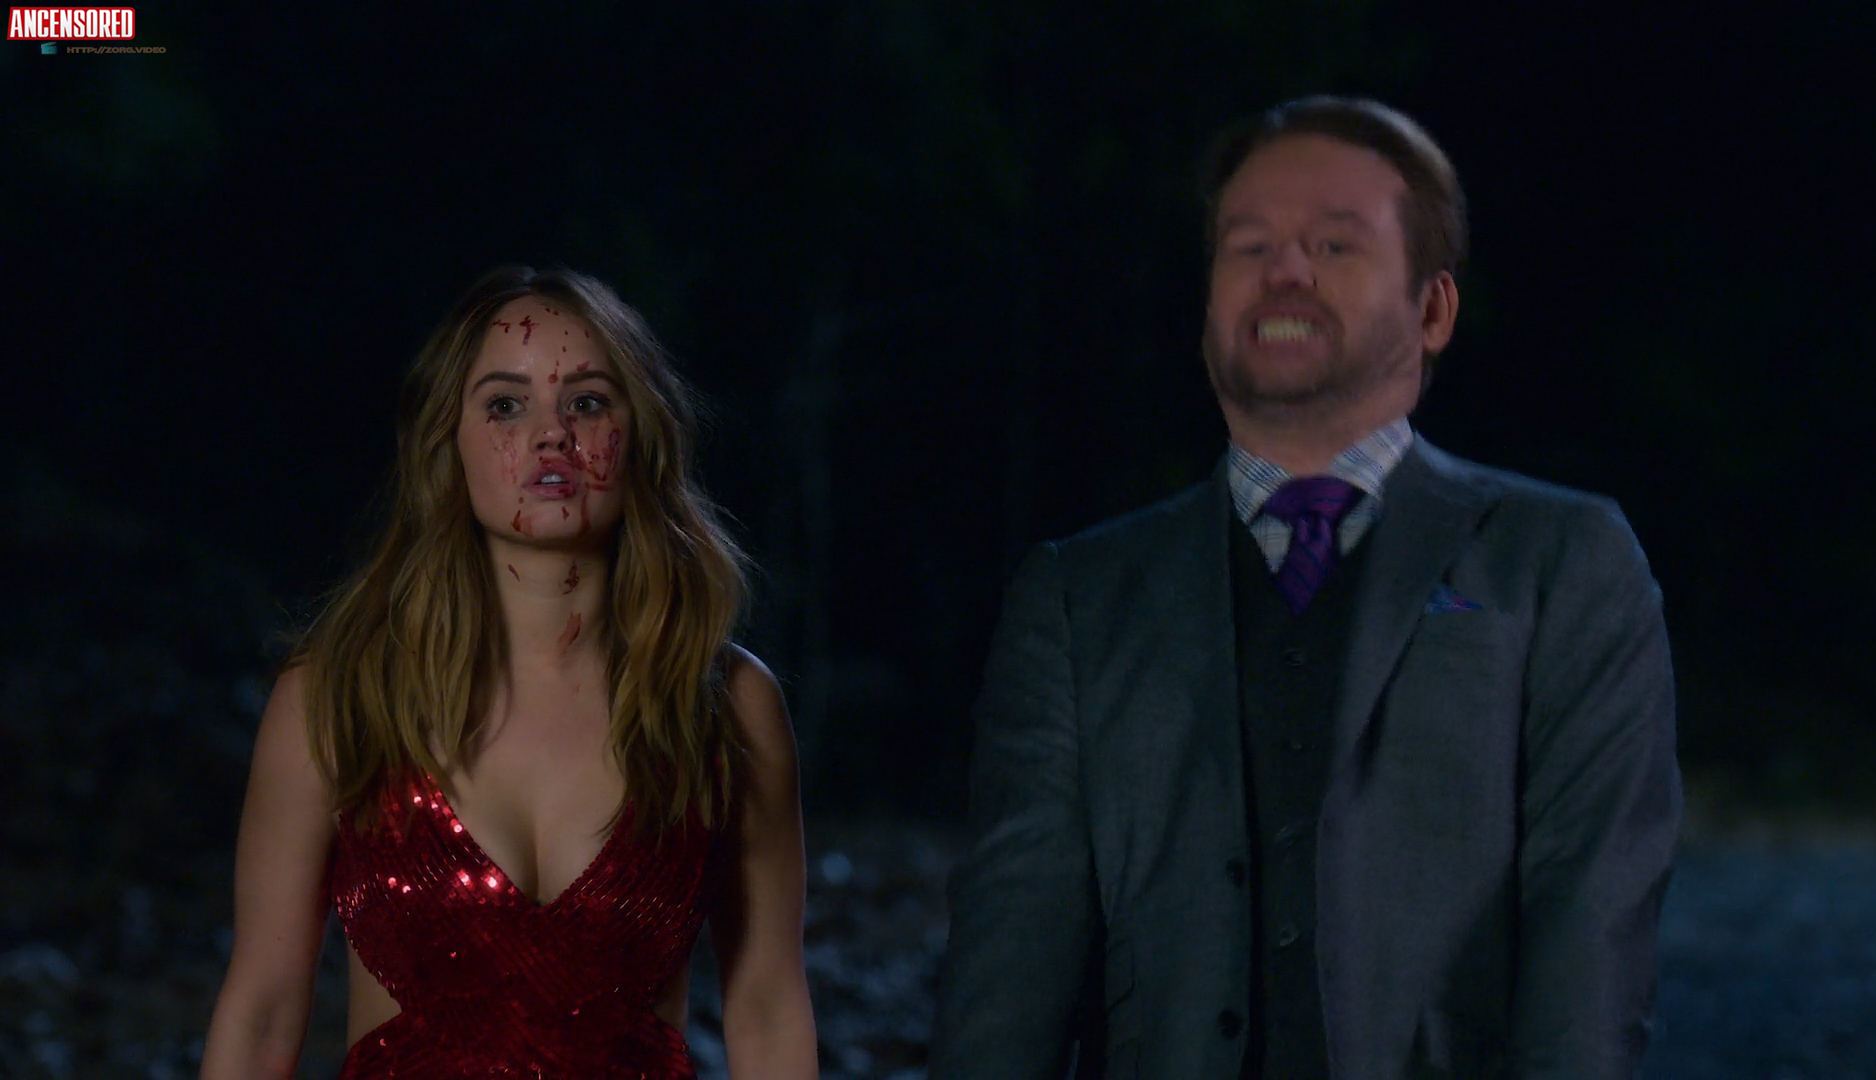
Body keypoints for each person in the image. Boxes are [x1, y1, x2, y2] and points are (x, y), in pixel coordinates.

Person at [932, 97, 1680, 1078]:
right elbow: (1009, 969)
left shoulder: (1559, 563)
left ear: (1433, 309)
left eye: (1334, 244)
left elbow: (1588, 945)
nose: (1284, 272)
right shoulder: (1079, 598)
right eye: (1249, 246)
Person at [202, 267, 817, 1077]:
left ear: (641, 434)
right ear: (447, 442)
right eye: (504, 405)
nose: (551, 435)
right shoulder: (337, 695)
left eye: (587, 402)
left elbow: (767, 1009)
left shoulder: (726, 705)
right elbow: (262, 1014)